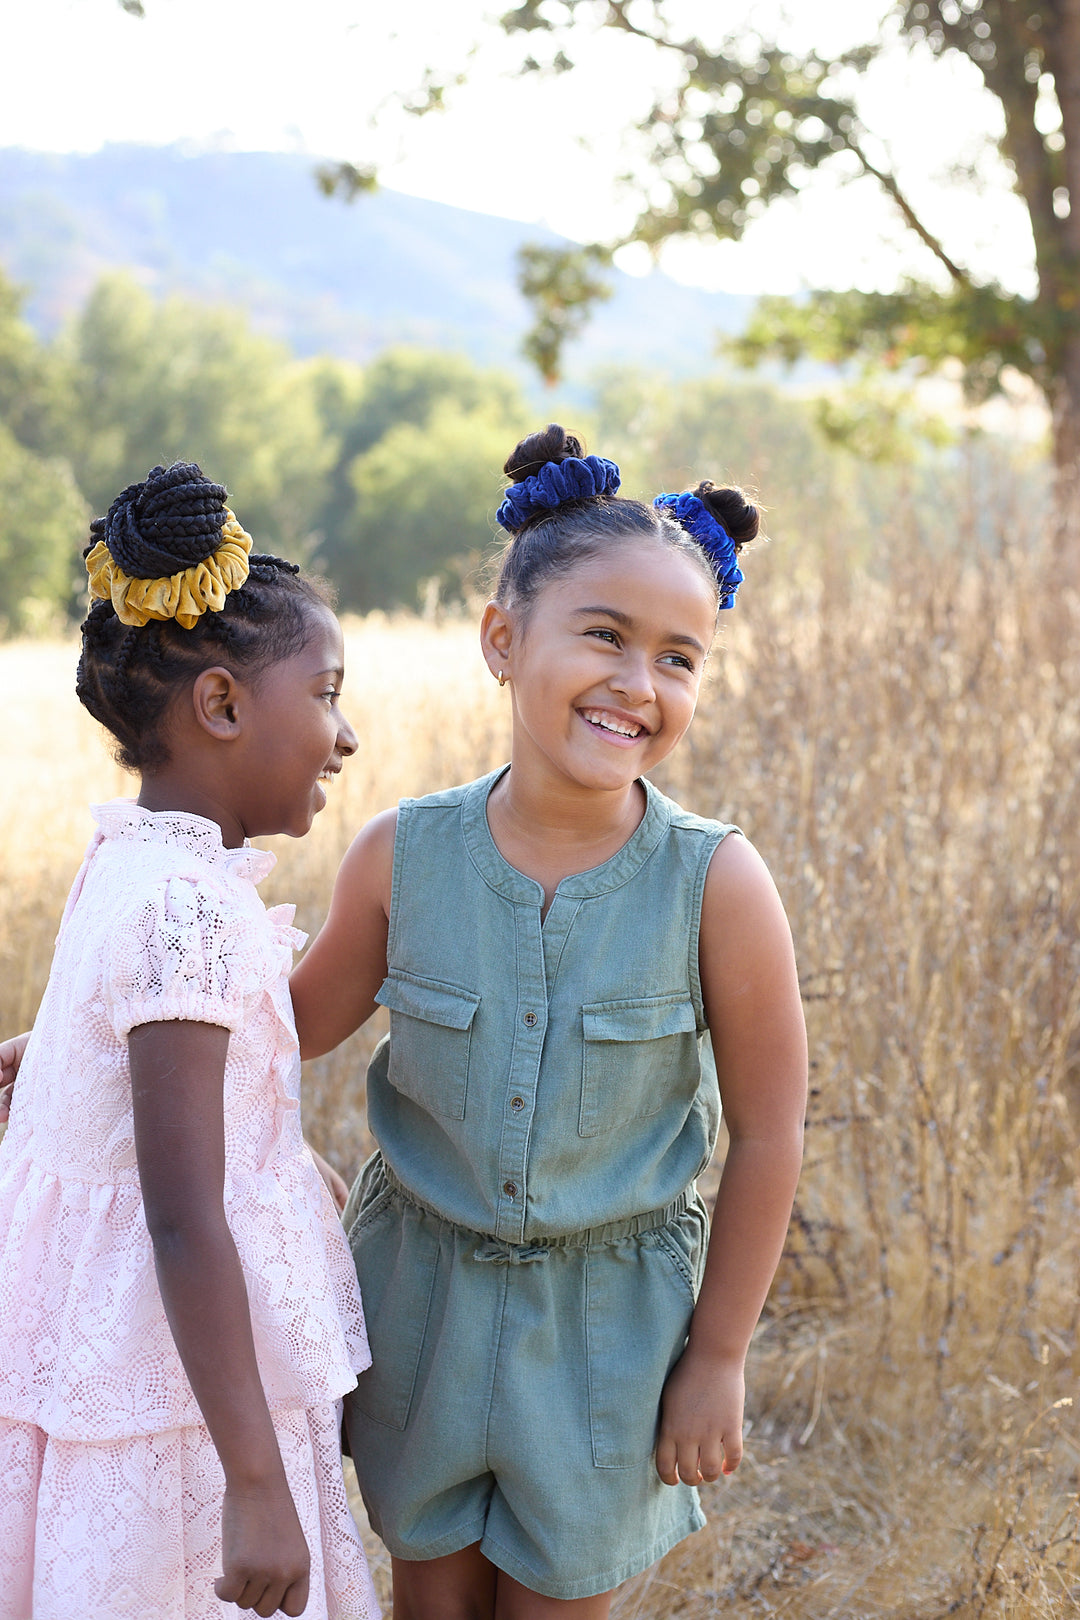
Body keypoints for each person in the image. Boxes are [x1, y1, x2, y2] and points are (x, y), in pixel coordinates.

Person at [290, 425, 808, 1619]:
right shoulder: (402, 856)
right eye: (605, 636)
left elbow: (772, 1131)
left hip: (608, 1336)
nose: (639, 684)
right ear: (503, 640)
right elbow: (284, 1028)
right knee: (429, 1599)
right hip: (419, 1309)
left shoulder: (717, 885)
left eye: (679, 658)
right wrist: (103, 1040)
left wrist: (719, 1356)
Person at [0, 464, 379, 1620]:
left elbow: (139, 1053)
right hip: (179, 1402)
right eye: (326, 694)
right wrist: (256, 1485)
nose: (345, 736)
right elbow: (180, 1213)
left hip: (130, 1361)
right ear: (221, 705)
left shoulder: (134, 860)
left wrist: (54, 1058)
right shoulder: (189, 910)